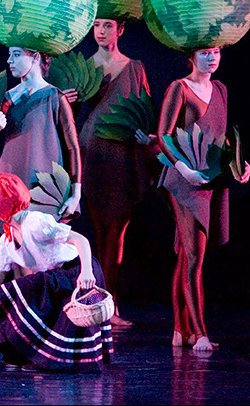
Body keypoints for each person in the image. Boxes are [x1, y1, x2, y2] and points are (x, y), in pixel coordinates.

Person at [0, 173, 113, 373]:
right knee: (16, 292)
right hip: (54, 280)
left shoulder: (35, 223)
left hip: (76, 273)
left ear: (3, 203)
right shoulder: (5, 243)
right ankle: (30, 354)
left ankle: (52, 360)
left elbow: (80, 240)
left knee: (29, 286)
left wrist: (87, 272)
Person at [157, 47, 250, 351]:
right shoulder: (179, 88)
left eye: (216, 52)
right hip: (184, 180)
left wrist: (239, 164)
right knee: (194, 256)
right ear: (191, 57)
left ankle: (180, 330)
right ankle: (200, 333)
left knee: (188, 255)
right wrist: (183, 169)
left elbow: (221, 136)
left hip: (211, 177)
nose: (212, 58)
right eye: (205, 53)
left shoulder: (220, 88)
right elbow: (164, 135)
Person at [64, 19, 154, 326]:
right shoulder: (84, 68)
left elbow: (144, 111)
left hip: (123, 156)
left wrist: (148, 140)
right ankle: (95, 305)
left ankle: (110, 304)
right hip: (93, 153)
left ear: (121, 29)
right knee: (98, 232)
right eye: (97, 25)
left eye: (108, 25)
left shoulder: (135, 68)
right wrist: (68, 101)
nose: (101, 31)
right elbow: (69, 118)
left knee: (116, 234)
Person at [0, 47, 82, 222]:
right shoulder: (6, 100)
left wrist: (75, 195)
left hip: (42, 186)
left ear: (35, 57)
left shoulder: (55, 97)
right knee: (12, 235)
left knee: (40, 231)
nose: (9, 60)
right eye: (9, 55)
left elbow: (73, 147)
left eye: (16, 54)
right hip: (10, 184)